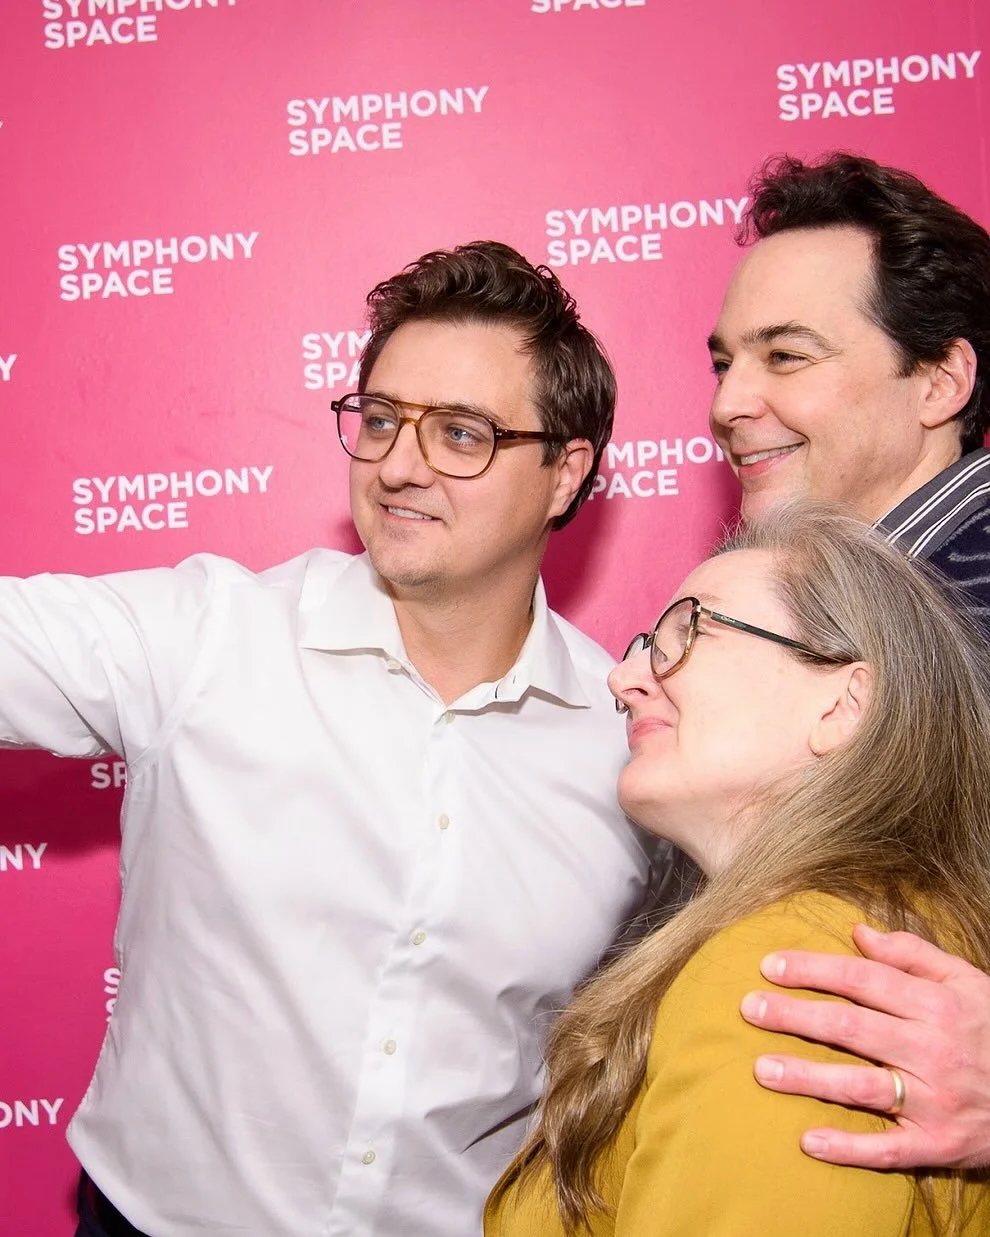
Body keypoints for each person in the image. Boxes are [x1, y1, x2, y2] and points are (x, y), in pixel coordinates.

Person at [2, 242, 657, 1237]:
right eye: (384, 419)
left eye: (462, 434)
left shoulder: (630, 745)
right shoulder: (210, 635)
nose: (399, 464)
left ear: (566, 472)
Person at [485, 502, 990, 1236]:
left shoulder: (791, 972)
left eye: (688, 631)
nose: (624, 677)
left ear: (844, 706)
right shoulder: (883, 932)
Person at [706, 152, 990, 1171]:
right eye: (724, 361)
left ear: (942, 381)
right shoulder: (824, 606)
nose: (731, 403)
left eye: (787, 356)